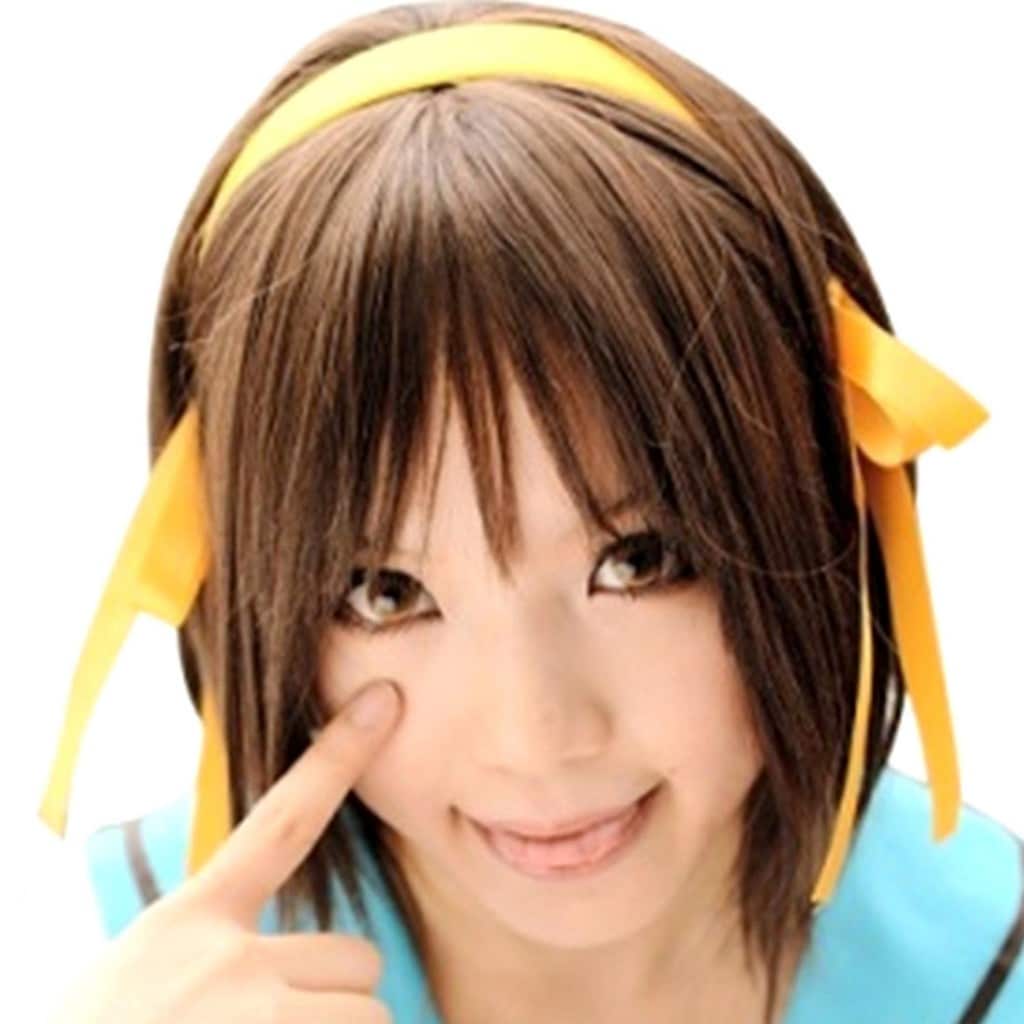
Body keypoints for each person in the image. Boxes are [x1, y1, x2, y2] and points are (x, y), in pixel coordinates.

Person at [38, 3, 1022, 1022]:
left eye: (639, 560)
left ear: (818, 495)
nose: (536, 737)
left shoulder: (979, 967)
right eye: (386, 593)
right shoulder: (96, 962)